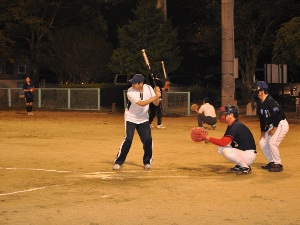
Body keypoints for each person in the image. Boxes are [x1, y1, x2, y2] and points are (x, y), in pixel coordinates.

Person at [113, 74, 161, 170]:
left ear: (141, 83)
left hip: (143, 118)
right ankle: (118, 162)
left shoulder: (148, 88)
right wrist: (155, 96)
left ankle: (147, 162)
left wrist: (157, 95)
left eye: (134, 83)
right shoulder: (130, 92)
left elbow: (156, 104)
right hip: (130, 118)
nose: (132, 84)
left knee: (148, 140)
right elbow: (142, 104)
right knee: (128, 139)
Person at [204, 105, 257, 175]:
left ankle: (245, 168)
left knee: (226, 151)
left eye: (224, 113)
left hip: (248, 155)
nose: (222, 115)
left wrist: (208, 138)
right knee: (221, 148)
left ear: (231, 115)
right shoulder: (233, 124)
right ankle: (240, 165)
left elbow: (223, 142)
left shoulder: (236, 125)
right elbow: (223, 141)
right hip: (244, 153)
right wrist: (210, 139)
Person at [253, 81, 289, 172]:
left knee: (273, 142)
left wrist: (275, 128)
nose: (255, 92)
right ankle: (272, 162)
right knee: (262, 142)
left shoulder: (270, 101)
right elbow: (262, 119)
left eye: (257, 90)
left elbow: (279, 114)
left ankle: (278, 164)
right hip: (272, 125)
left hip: (280, 124)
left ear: (262, 91)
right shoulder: (260, 102)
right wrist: (262, 133)